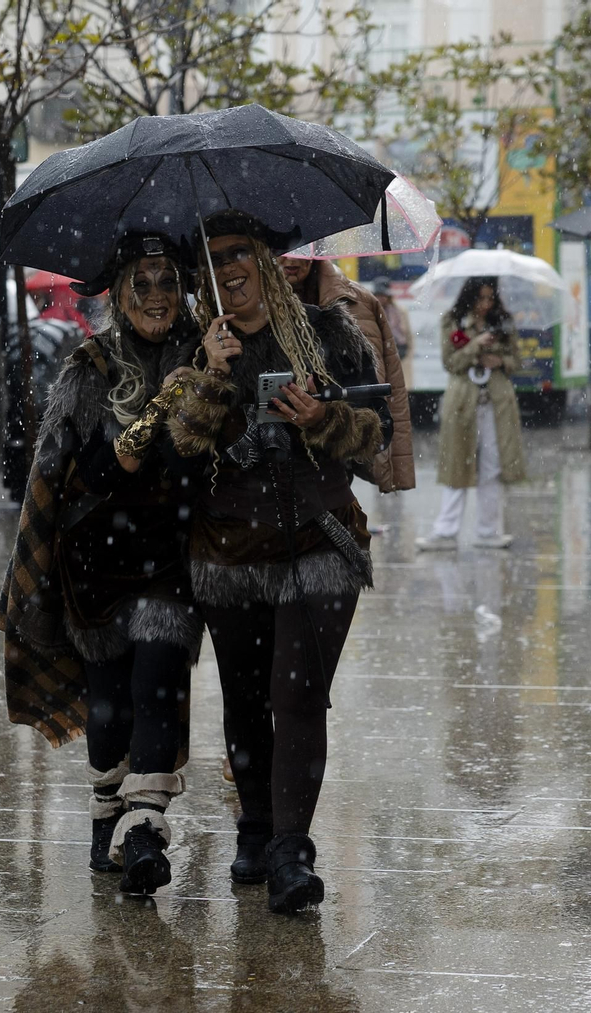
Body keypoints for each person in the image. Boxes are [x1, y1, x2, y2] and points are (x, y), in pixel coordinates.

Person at [165, 210, 390, 914]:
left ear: (266, 260)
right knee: (244, 695)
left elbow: (371, 436)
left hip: (318, 541)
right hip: (228, 551)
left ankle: (292, 850)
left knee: (296, 695)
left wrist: (318, 419)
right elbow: (179, 453)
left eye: (241, 254)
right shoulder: (200, 347)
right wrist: (208, 375)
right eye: (215, 259)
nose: (229, 268)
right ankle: (255, 828)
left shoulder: (328, 334)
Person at [0, 234, 203, 896]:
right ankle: (105, 820)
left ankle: (143, 828)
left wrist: (208, 388)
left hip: (170, 562)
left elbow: (200, 465)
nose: (155, 297)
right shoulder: (88, 368)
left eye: (167, 281)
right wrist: (158, 412)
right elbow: (87, 472)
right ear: (116, 292)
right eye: (140, 284)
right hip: (97, 567)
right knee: (110, 705)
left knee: (158, 685)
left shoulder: (207, 356)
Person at [279, 254, 415, 492]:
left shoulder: (357, 301)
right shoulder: (241, 305)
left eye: (301, 250)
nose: (291, 259)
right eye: (281, 251)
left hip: (335, 460)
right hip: (269, 470)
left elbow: (388, 382)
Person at [415, 277, 526, 551]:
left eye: (490, 298)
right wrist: (475, 345)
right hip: (464, 402)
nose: (485, 304)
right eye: (480, 298)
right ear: (469, 297)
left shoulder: (503, 321)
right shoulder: (453, 321)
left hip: (496, 403)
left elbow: (517, 361)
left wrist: (499, 360)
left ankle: (488, 530)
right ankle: (445, 531)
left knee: (492, 465)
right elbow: (450, 363)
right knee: (457, 463)